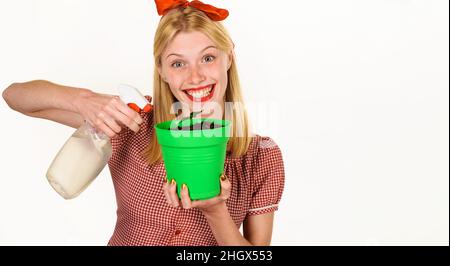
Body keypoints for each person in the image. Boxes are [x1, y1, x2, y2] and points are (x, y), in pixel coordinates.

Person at [2, 0, 285, 246]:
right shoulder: (132, 121)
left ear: (229, 57)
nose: (195, 76)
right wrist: (82, 99)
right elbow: (14, 96)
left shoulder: (261, 157)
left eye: (208, 58)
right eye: (178, 63)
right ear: (161, 70)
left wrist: (216, 212)